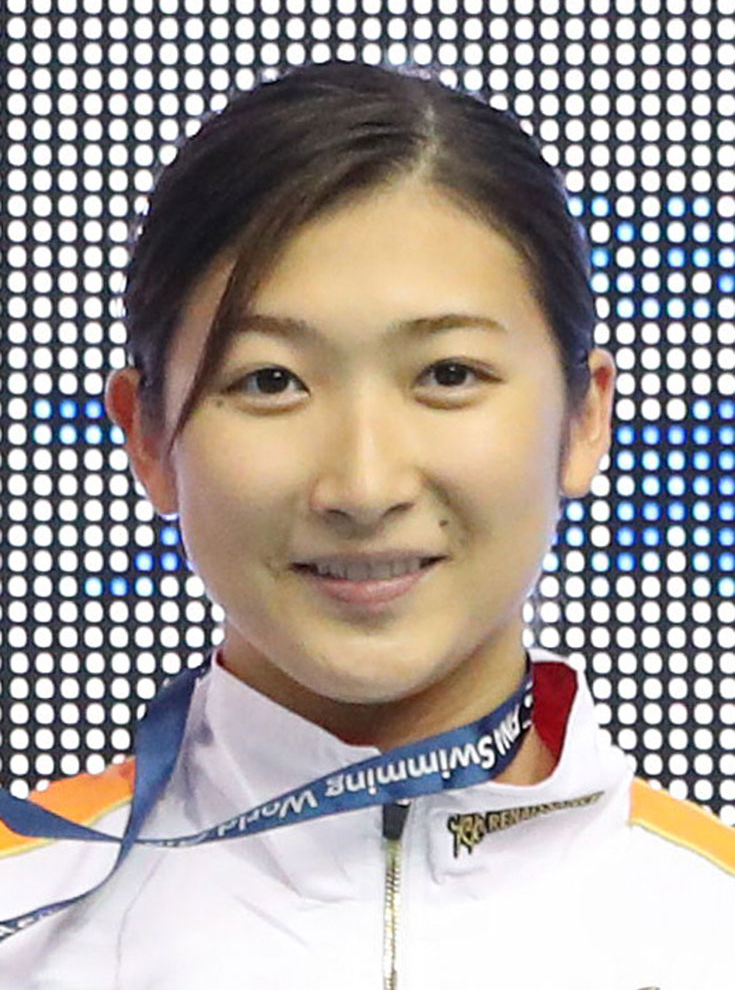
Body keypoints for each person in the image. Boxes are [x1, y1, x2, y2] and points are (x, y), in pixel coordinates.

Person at [0, 59, 733, 990]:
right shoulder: (21, 918)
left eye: (448, 374)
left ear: (584, 418)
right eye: (270, 381)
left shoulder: (710, 925)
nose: (363, 484)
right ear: (146, 436)